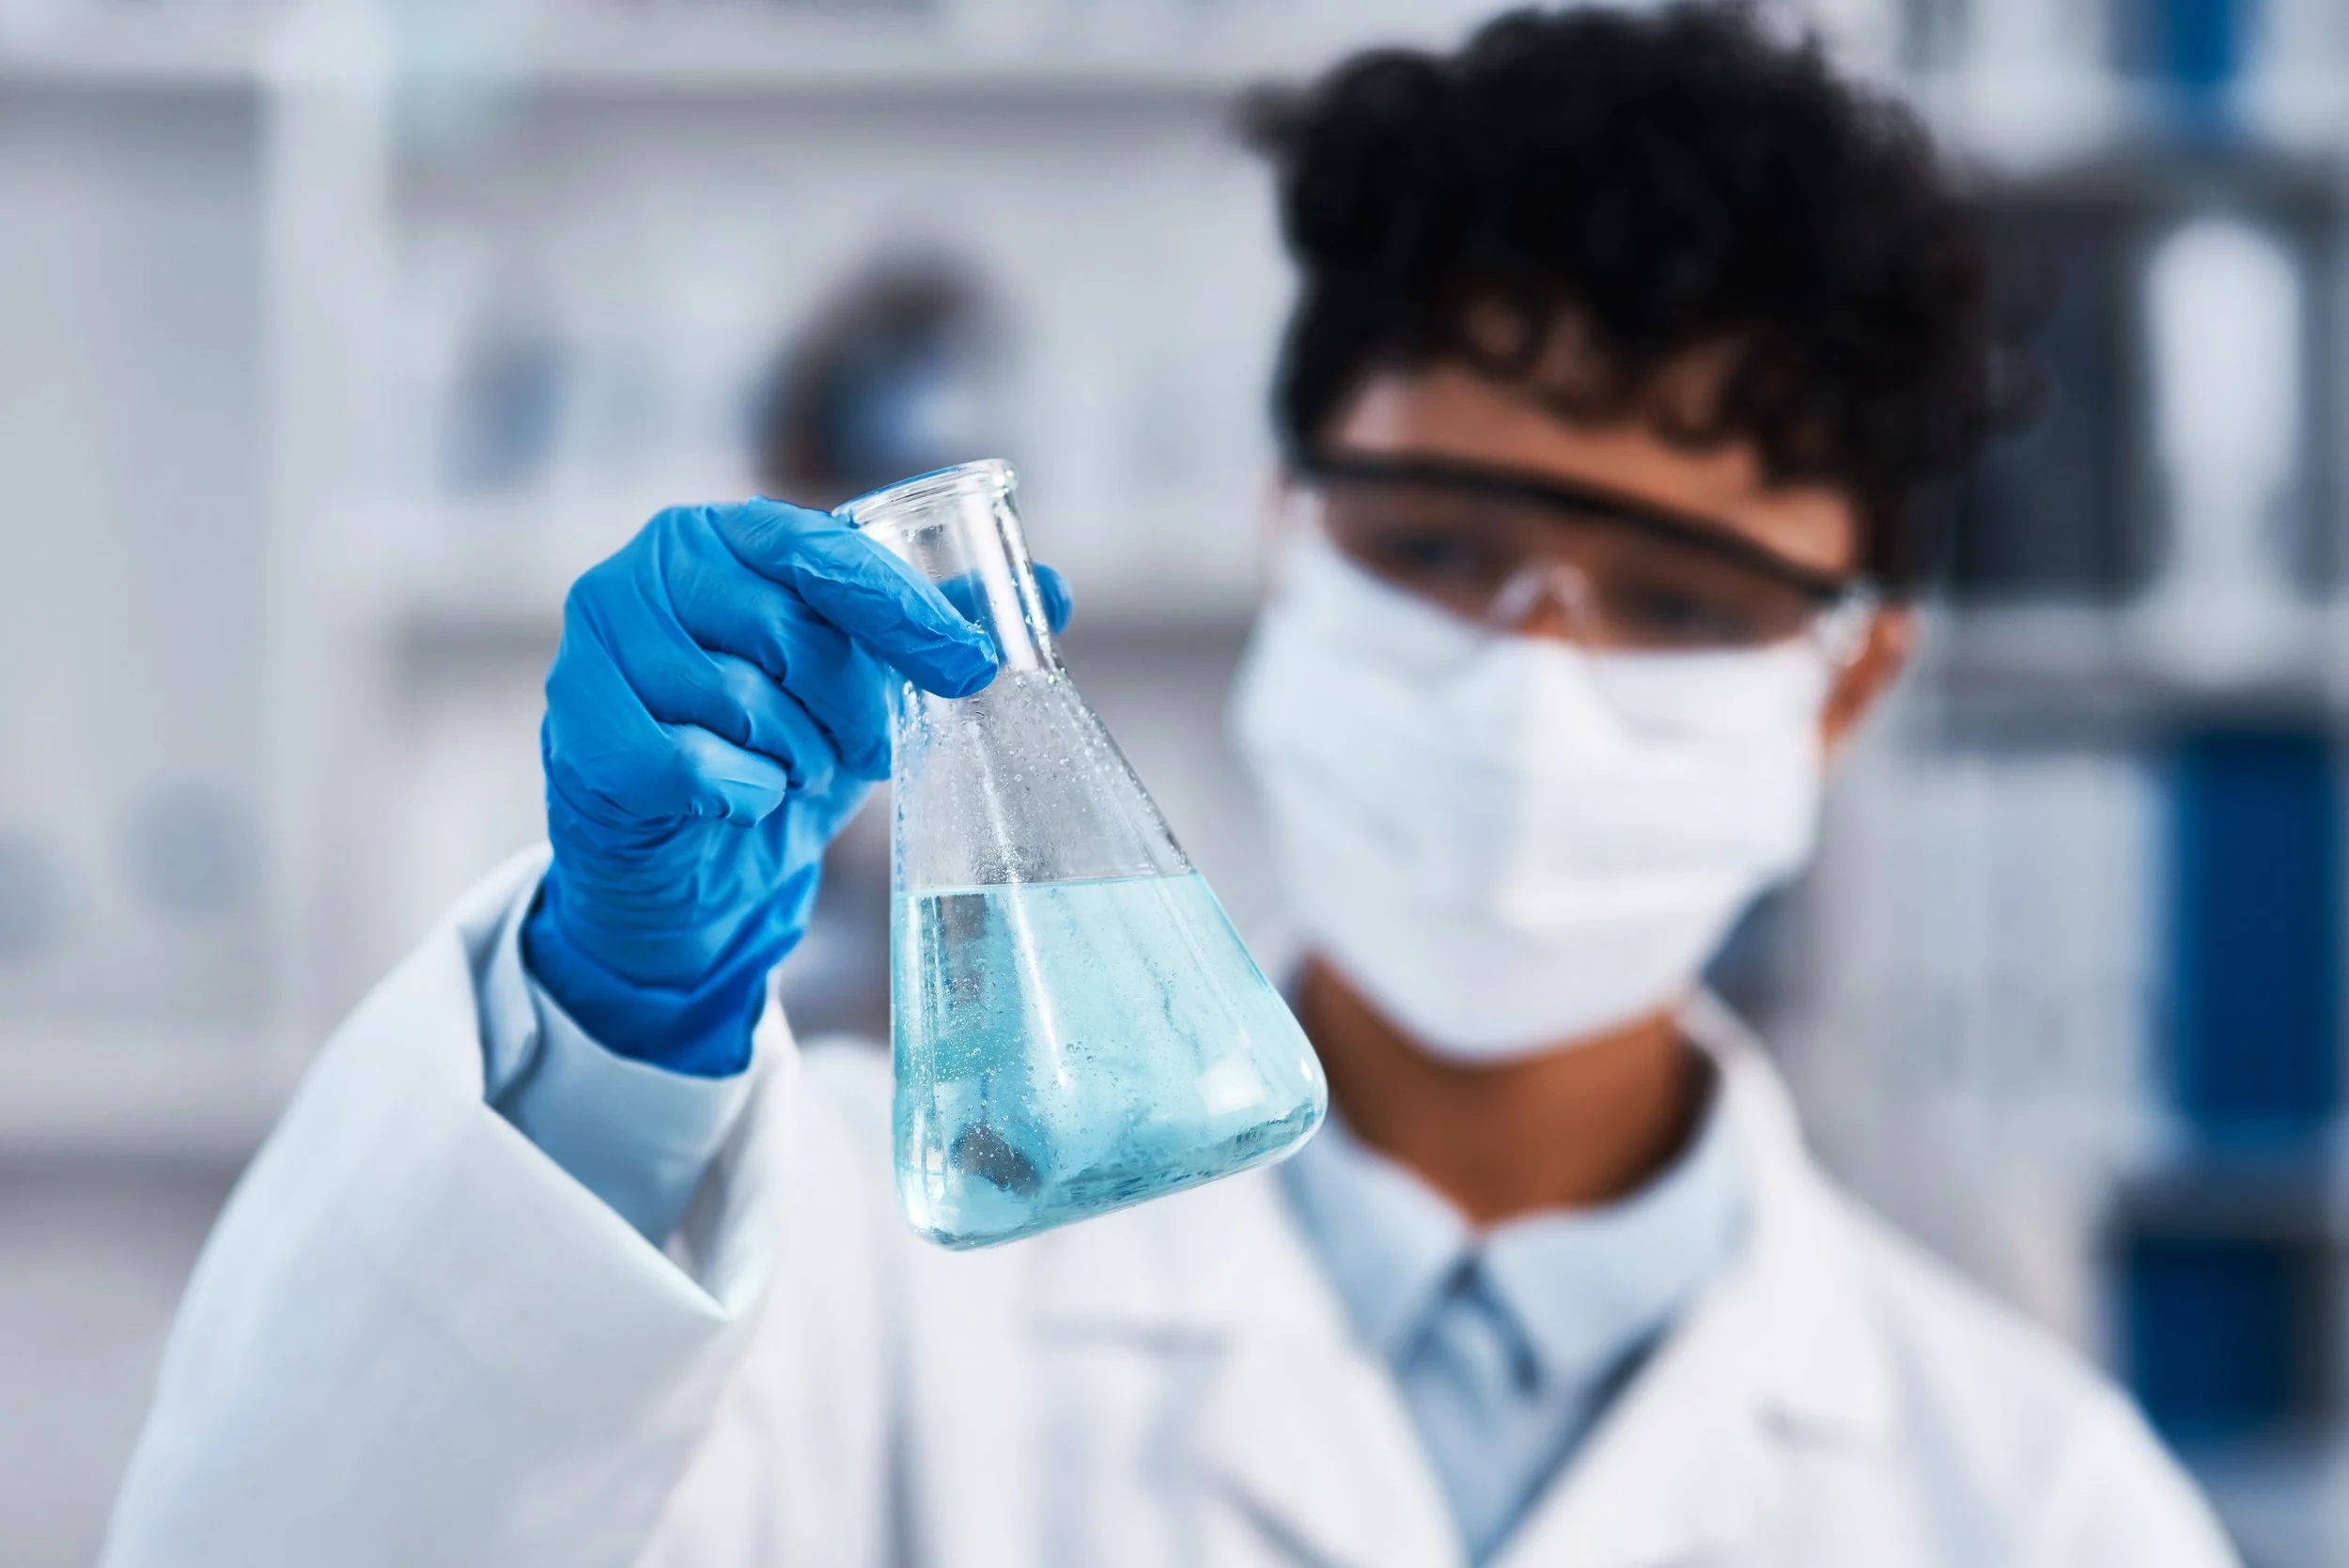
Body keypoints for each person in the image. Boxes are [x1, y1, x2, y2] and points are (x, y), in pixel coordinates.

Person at [106, 7, 2238, 1566]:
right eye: (1433, 545)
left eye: (1677, 596)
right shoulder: (827, 1265)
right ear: (1282, 528)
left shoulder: (2040, 1505)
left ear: (1847, 675)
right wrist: (609, 1037)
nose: (1530, 674)